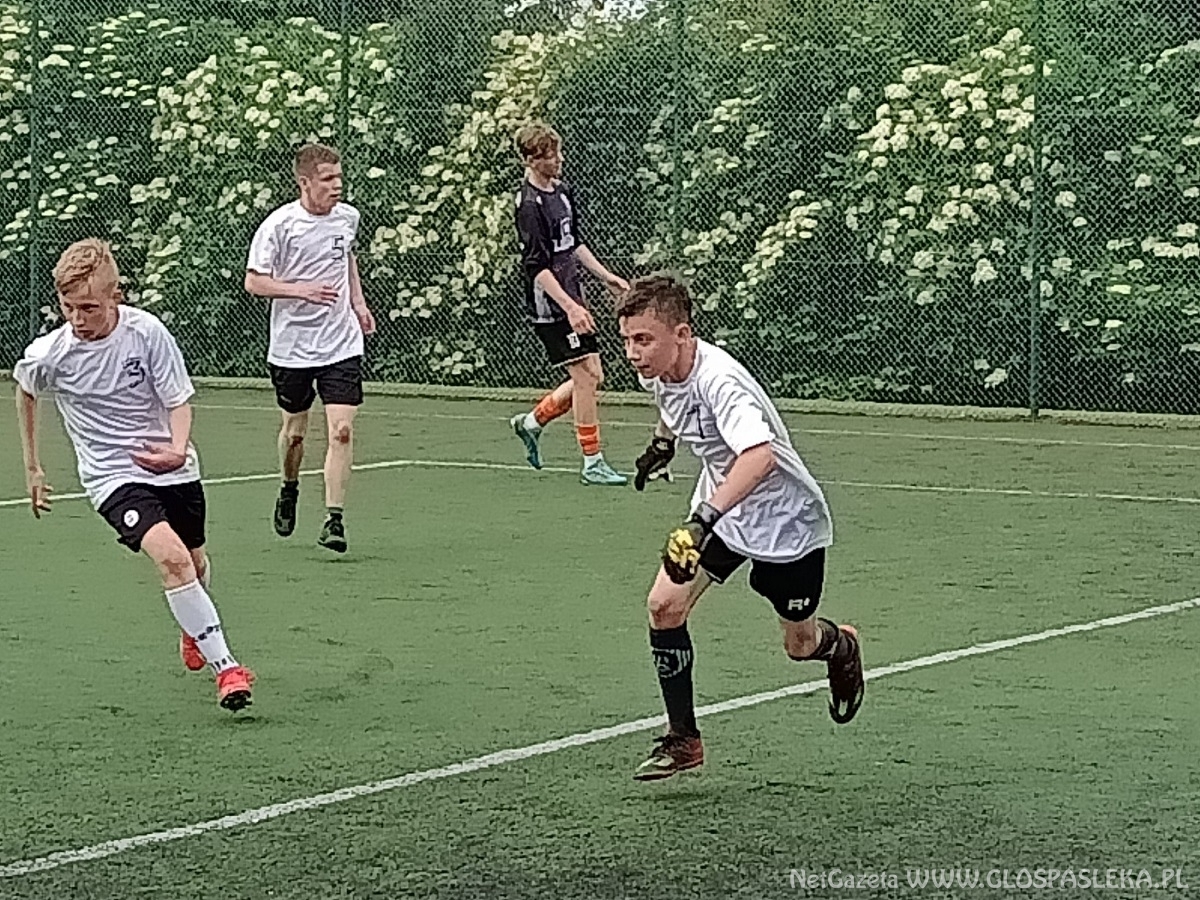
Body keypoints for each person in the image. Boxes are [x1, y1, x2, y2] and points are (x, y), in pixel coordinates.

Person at [618, 275, 864, 780]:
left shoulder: (721, 382)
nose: (632, 353)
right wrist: (662, 444)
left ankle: (841, 645)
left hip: (782, 520)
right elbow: (669, 400)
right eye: (626, 340)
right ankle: (684, 740)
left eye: (643, 340)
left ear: (682, 334)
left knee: (799, 646)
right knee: (664, 606)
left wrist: (702, 520)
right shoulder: (659, 368)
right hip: (725, 507)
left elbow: (760, 456)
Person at [13, 238, 254, 711]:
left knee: (194, 564)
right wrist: (33, 467)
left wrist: (177, 449)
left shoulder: (147, 333)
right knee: (172, 560)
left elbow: (178, 400)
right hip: (111, 477)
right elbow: (25, 390)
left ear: (115, 296)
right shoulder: (50, 354)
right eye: (68, 307)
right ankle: (227, 669)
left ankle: (194, 628)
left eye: (88, 308)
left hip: (172, 467)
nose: (77, 319)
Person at [245, 142, 376, 553]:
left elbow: (347, 258)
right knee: (295, 435)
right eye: (327, 179)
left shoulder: (347, 218)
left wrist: (358, 304)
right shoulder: (279, 225)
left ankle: (334, 520)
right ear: (304, 183)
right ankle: (289, 486)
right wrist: (300, 290)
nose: (337, 185)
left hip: (341, 343)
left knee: (341, 430)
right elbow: (254, 281)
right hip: (293, 348)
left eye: (339, 177)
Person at [508, 122, 629, 486]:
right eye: (550, 155)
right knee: (585, 377)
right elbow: (537, 267)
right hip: (551, 302)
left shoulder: (562, 192)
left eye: (558, 152)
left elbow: (573, 243)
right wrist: (569, 307)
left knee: (594, 376)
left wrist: (606, 276)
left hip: (573, 294)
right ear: (531, 160)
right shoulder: (529, 206)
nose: (559, 160)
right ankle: (592, 462)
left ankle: (532, 423)